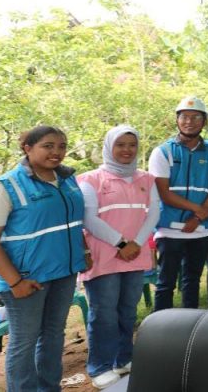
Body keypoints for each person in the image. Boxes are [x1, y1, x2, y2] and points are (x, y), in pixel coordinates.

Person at [0, 126, 88, 392]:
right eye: (48, 146)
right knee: (24, 341)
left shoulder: (67, 180)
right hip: (27, 279)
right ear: (28, 148)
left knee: (53, 334)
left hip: (64, 273)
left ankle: (50, 388)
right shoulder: (6, 186)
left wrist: (84, 253)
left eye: (62, 146)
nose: (56, 152)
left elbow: (73, 223)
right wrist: (15, 282)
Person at [77, 125, 160, 388]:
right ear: (109, 147)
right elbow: (88, 218)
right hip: (104, 256)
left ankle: (123, 358)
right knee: (104, 313)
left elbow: (153, 214)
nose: (127, 150)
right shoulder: (90, 179)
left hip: (134, 255)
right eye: (120, 145)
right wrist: (122, 243)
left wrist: (136, 244)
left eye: (132, 145)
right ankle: (100, 366)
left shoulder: (147, 179)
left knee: (127, 310)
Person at [149, 96, 208, 311]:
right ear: (177, 120)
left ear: (204, 122)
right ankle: (160, 325)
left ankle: (189, 325)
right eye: (184, 117)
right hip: (169, 229)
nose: (189, 122)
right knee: (165, 283)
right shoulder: (163, 151)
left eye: (196, 117)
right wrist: (198, 210)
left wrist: (198, 218)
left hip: (200, 230)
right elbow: (164, 193)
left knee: (192, 281)